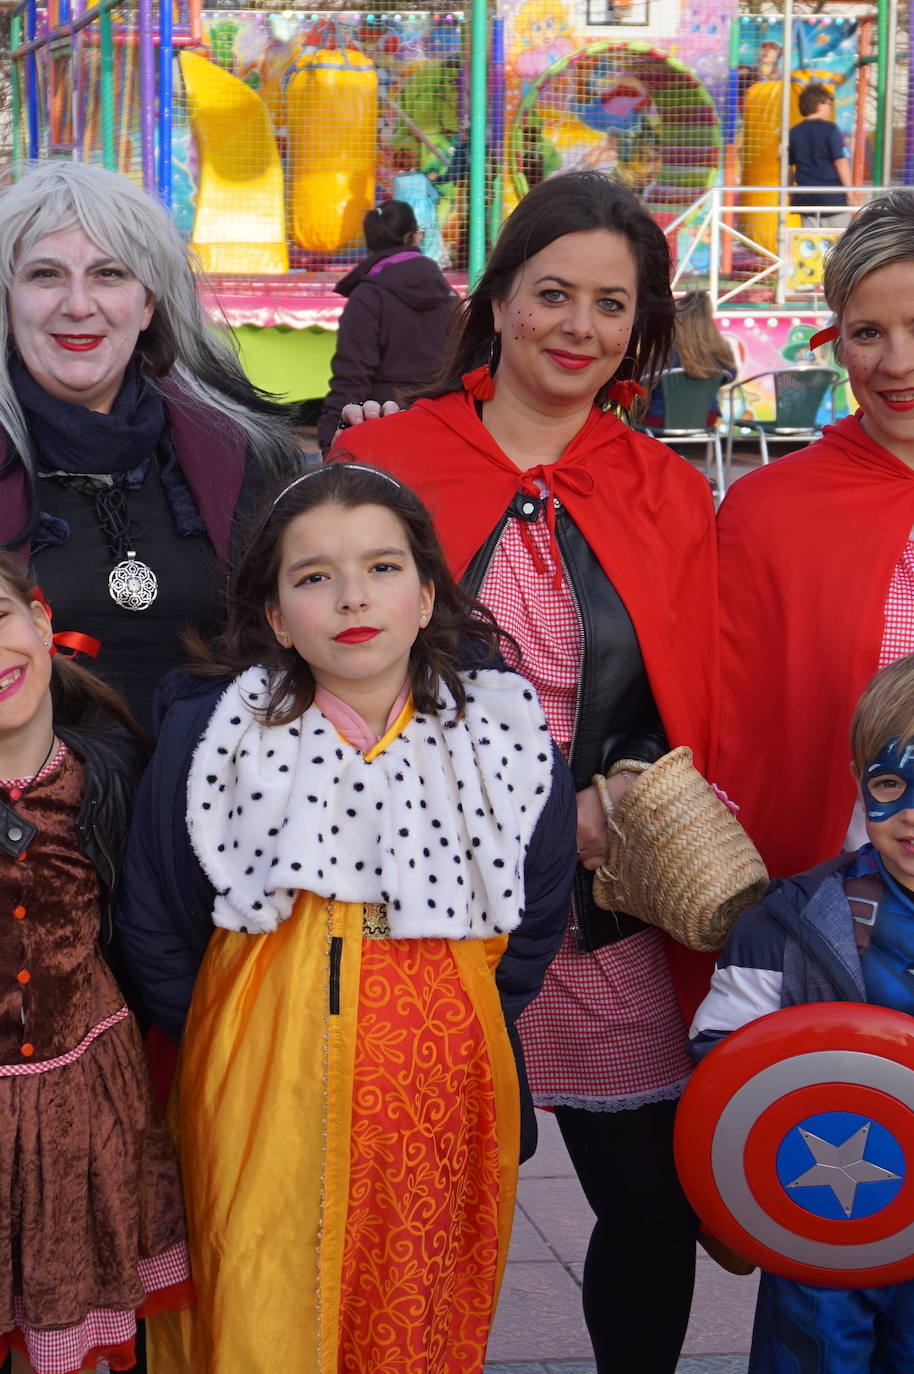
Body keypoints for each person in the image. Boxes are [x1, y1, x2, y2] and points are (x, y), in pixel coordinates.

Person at [333, 170, 721, 1373]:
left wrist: (625, 787)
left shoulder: (660, 487)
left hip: (602, 907)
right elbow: (324, 677)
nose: (577, 328)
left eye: (610, 306)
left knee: (652, 1209)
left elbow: (691, 684)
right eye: (551, 293)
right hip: (425, 909)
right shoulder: (383, 465)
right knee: (421, 1213)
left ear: (638, 328)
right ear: (498, 298)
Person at [114, 461, 577, 1373]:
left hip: (444, 1086)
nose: (352, 597)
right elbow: (157, 922)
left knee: (417, 1304)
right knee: (256, 1295)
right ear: (278, 617)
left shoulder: (502, 741)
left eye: (382, 567)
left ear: (427, 592)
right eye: (314, 576)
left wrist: (453, 1022)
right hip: (256, 1091)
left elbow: (534, 919)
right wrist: (231, 1042)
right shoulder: (219, 742)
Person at [0, 160, 302, 733]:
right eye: (45, 275)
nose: (79, 304)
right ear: (7, 303)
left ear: (147, 305)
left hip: (215, 803)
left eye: (109, 274)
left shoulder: (245, 457)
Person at [689, 652, 914, 1373]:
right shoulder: (783, 924)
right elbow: (724, 1066)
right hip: (824, 1208)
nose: (911, 812)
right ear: (861, 786)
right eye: (891, 785)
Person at [0, 550, 191, 1374]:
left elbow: (155, 926)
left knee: (91, 1336)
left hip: (89, 1105)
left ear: (42, 622)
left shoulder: (114, 774)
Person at [717, 190, 914, 883]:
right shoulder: (767, 509)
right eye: (868, 333)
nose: (897, 363)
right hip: (825, 909)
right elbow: (725, 722)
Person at [316, 200, 456, 454]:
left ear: (370, 241)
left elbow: (351, 378)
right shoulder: (448, 296)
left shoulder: (367, 297)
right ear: (414, 237)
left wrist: (330, 443)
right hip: (440, 428)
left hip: (381, 429)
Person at [643, 290, 736, 428]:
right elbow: (731, 376)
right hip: (705, 418)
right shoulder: (720, 348)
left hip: (660, 418)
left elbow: (644, 379)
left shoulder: (662, 349)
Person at [788, 82, 857, 227]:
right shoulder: (831, 130)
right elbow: (841, 163)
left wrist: (789, 193)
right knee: (838, 244)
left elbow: (789, 168)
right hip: (832, 199)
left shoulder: (793, 133)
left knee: (809, 245)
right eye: (828, 104)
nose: (830, 108)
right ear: (818, 104)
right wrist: (851, 195)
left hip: (806, 200)